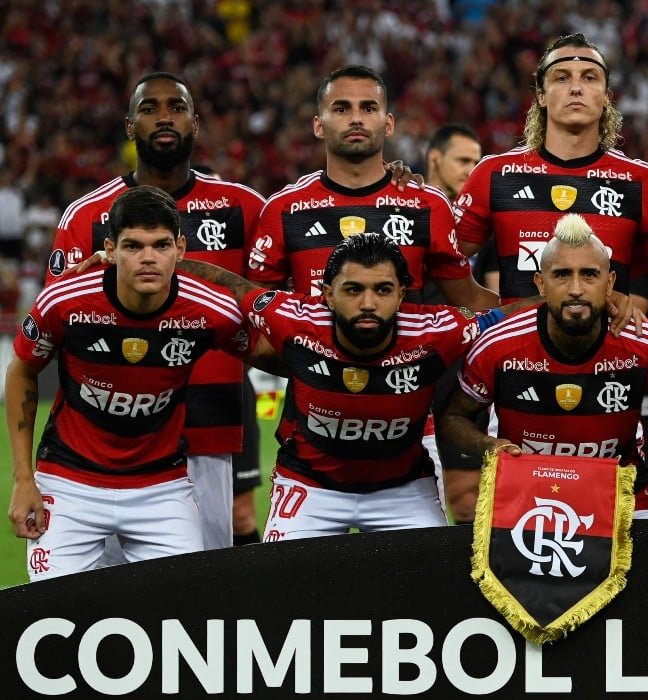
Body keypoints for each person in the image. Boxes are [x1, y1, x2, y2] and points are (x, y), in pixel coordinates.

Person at [45, 72, 266, 553]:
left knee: (197, 589)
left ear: (195, 123)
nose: (164, 117)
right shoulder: (87, 216)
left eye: (176, 107)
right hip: (109, 440)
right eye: (149, 109)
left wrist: (389, 180)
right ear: (129, 126)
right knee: (104, 590)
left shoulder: (243, 208)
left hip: (209, 423)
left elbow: (296, 285)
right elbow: (52, 325)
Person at [178, 234, 525, 540]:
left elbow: (515, 316)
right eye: (353, 289)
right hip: (311, 487)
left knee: (428, 592)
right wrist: (164, 265)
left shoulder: (438, 330)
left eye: (383, 289)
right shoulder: (291, 318)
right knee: (281, 593)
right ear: (328, 294)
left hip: (403, 491)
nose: (369, 303)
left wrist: (574, 301)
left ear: (402, 294)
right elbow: (230, 285)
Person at [7, 186, 250, 579]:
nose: (148, 258)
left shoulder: (209, 309)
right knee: (52, 614)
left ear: (182, 248)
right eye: (133, 246)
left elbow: (280, 352)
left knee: (185, 615)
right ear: (110, 248)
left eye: (161, 245)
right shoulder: (65, 300)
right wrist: (23, 480)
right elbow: (21, 369)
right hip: (69, 484)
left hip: (161, 489)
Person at [439, 214, 648, 518]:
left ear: (610, 282)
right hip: (526, 501)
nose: (576, 288)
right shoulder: (497, 344)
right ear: (541, 283)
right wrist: (487, 444)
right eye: (562, 275)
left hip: (622, 500)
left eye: (589, 274)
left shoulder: (647, 342)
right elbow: (454, 416)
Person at [451, 33, 648, 307]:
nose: (576, 88)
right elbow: (437, 261)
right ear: (541, 95)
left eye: (590, 78)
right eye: (562, 77)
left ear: (606, 96)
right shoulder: (494, 174)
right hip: (517, 348)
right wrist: (495, 315)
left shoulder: (640, 182)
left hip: (608, 347)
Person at [249, 65, 496, 310]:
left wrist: (531, 311)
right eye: (341, 109)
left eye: (368, 108)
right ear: (318, 126)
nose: (356, 119)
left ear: (389, 124)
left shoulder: (428, 206)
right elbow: (257, 311)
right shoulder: (284, 209)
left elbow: (472, 300)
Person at [423, 123, 488, 524]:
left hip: (468, 371)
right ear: (434, 159)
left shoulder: (484, 225)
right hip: (417, 371)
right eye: (463, 160)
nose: (472, 170)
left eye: (478, 162)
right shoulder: (409, 210)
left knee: (467, 501)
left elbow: (490, 296)